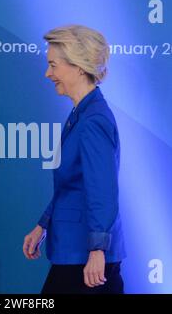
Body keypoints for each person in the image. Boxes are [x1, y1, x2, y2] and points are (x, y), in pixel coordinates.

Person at [23, 25, 127, 294]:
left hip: (85, 256)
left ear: (79, 67)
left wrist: (97, 249)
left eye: (53, 65)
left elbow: (103, 190)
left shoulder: (93, 120)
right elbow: (73, 184)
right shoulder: (81, 114)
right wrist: (43, 224)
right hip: (74, 250)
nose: (48, 74)